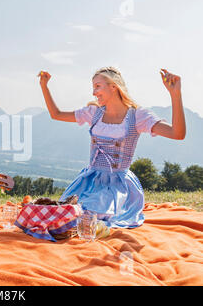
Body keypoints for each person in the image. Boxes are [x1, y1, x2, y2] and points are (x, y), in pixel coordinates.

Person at [38, 67, 186, 228]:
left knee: (87, 216)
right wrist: (44, 86)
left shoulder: (138, 116)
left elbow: (177, 133)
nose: (94, 92)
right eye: (93, 87)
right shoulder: (94, 112)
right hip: (88, 181)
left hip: (117, 185)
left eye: (98, 86)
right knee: (64, 214)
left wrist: (175, 94)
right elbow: (56, 114)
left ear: (113, 86)